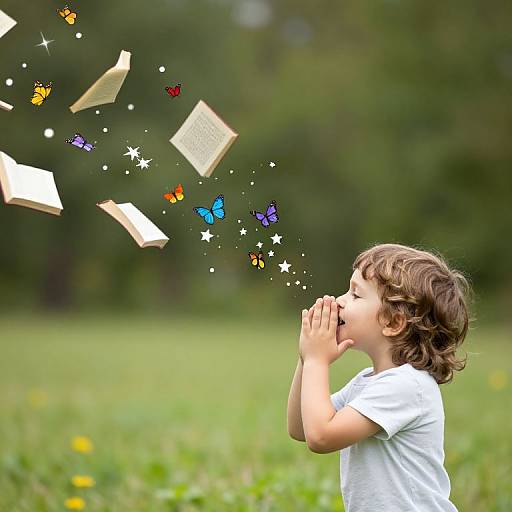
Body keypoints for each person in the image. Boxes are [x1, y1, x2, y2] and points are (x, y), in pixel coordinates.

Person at [286, 243, 470, 511]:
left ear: (393, 323)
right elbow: (300, 428)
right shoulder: (367, 381)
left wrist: (317, 360)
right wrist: (306, 359)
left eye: (355, 295)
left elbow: (321, 437)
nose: (339, 301)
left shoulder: (407, 385)